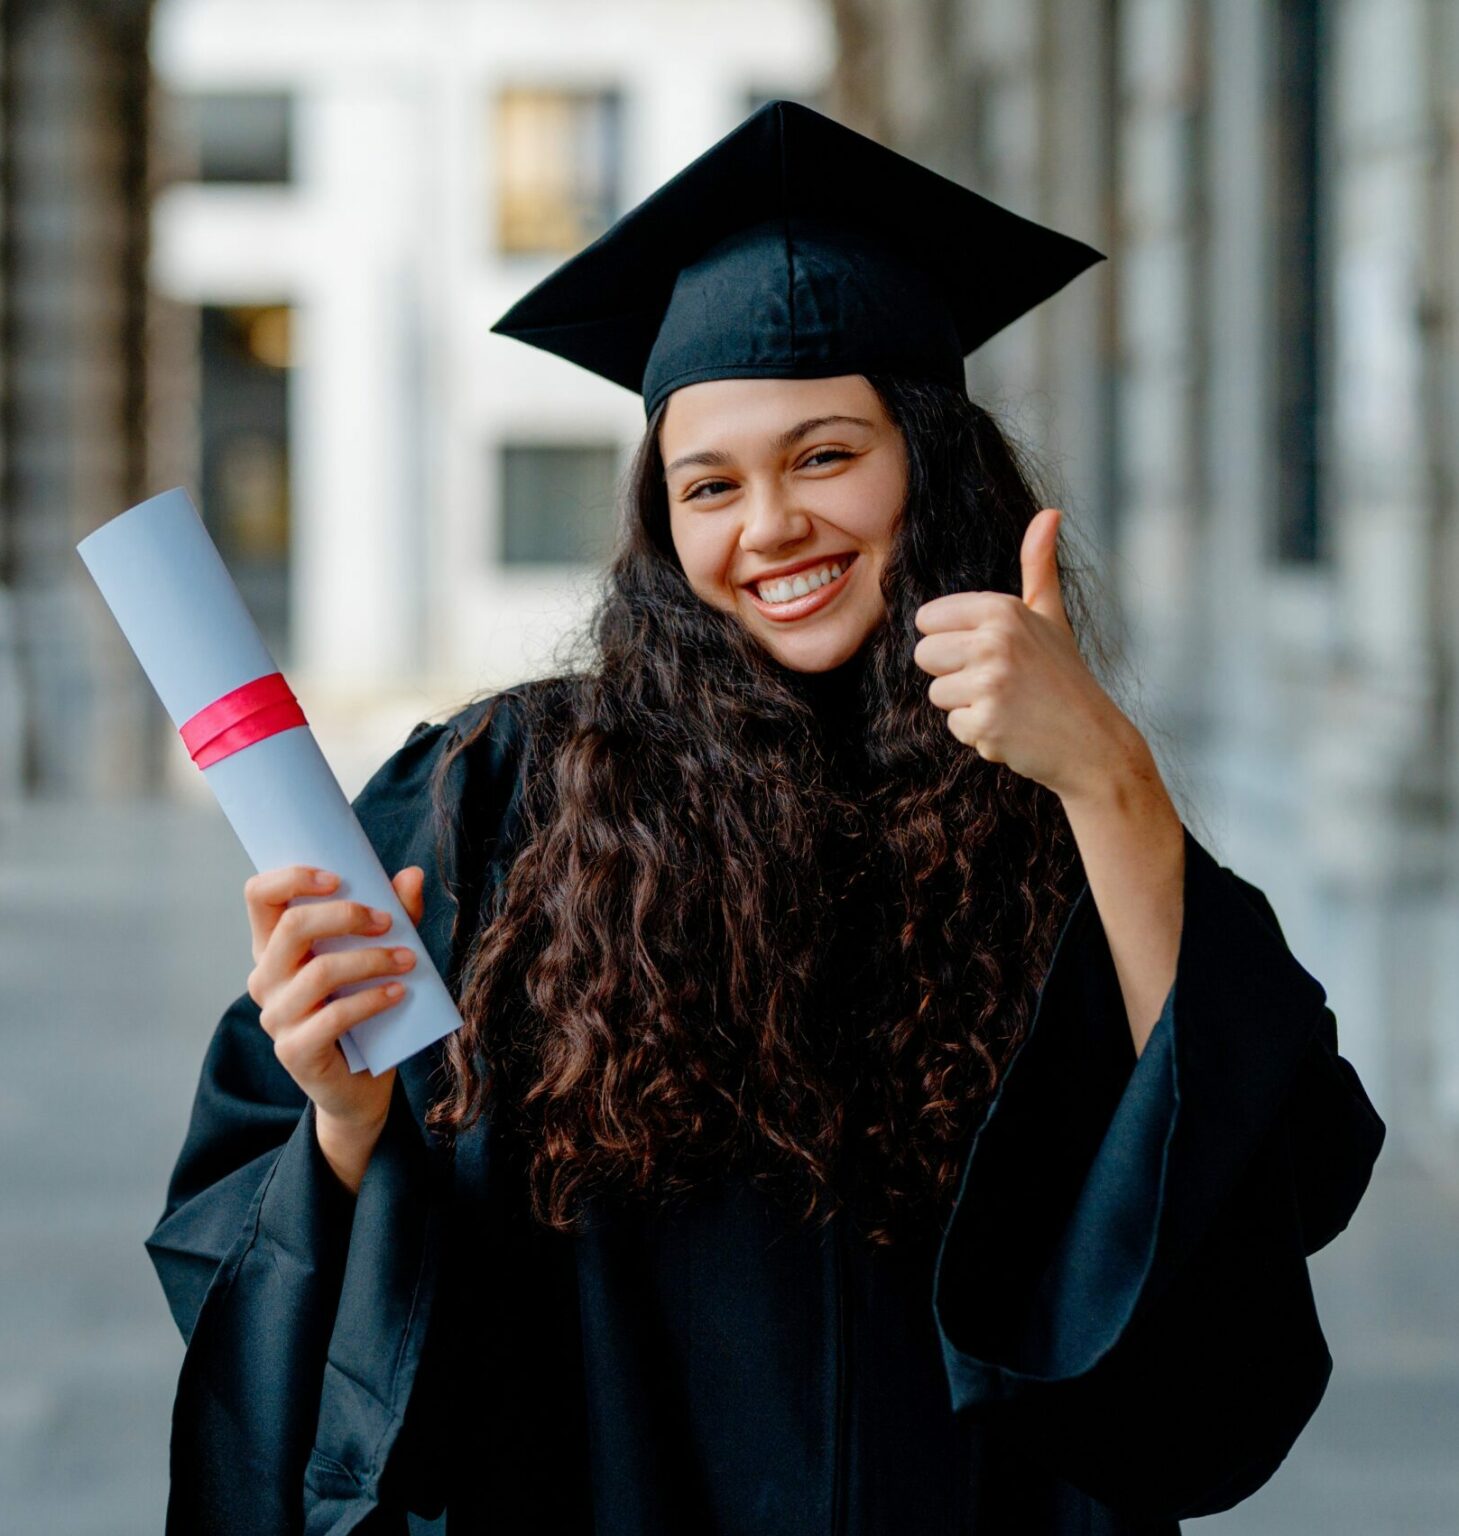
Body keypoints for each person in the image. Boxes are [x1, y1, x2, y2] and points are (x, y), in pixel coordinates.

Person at [145, 100, 1386, 1535]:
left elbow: (1276, 1160)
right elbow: (268, 1236)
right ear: (659, 520)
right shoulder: (498, 795)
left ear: (930, 459)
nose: (770, 526)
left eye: (826, 457)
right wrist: (347, 1119)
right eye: (710, 484)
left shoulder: (1054, 799)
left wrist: (1109, 781)